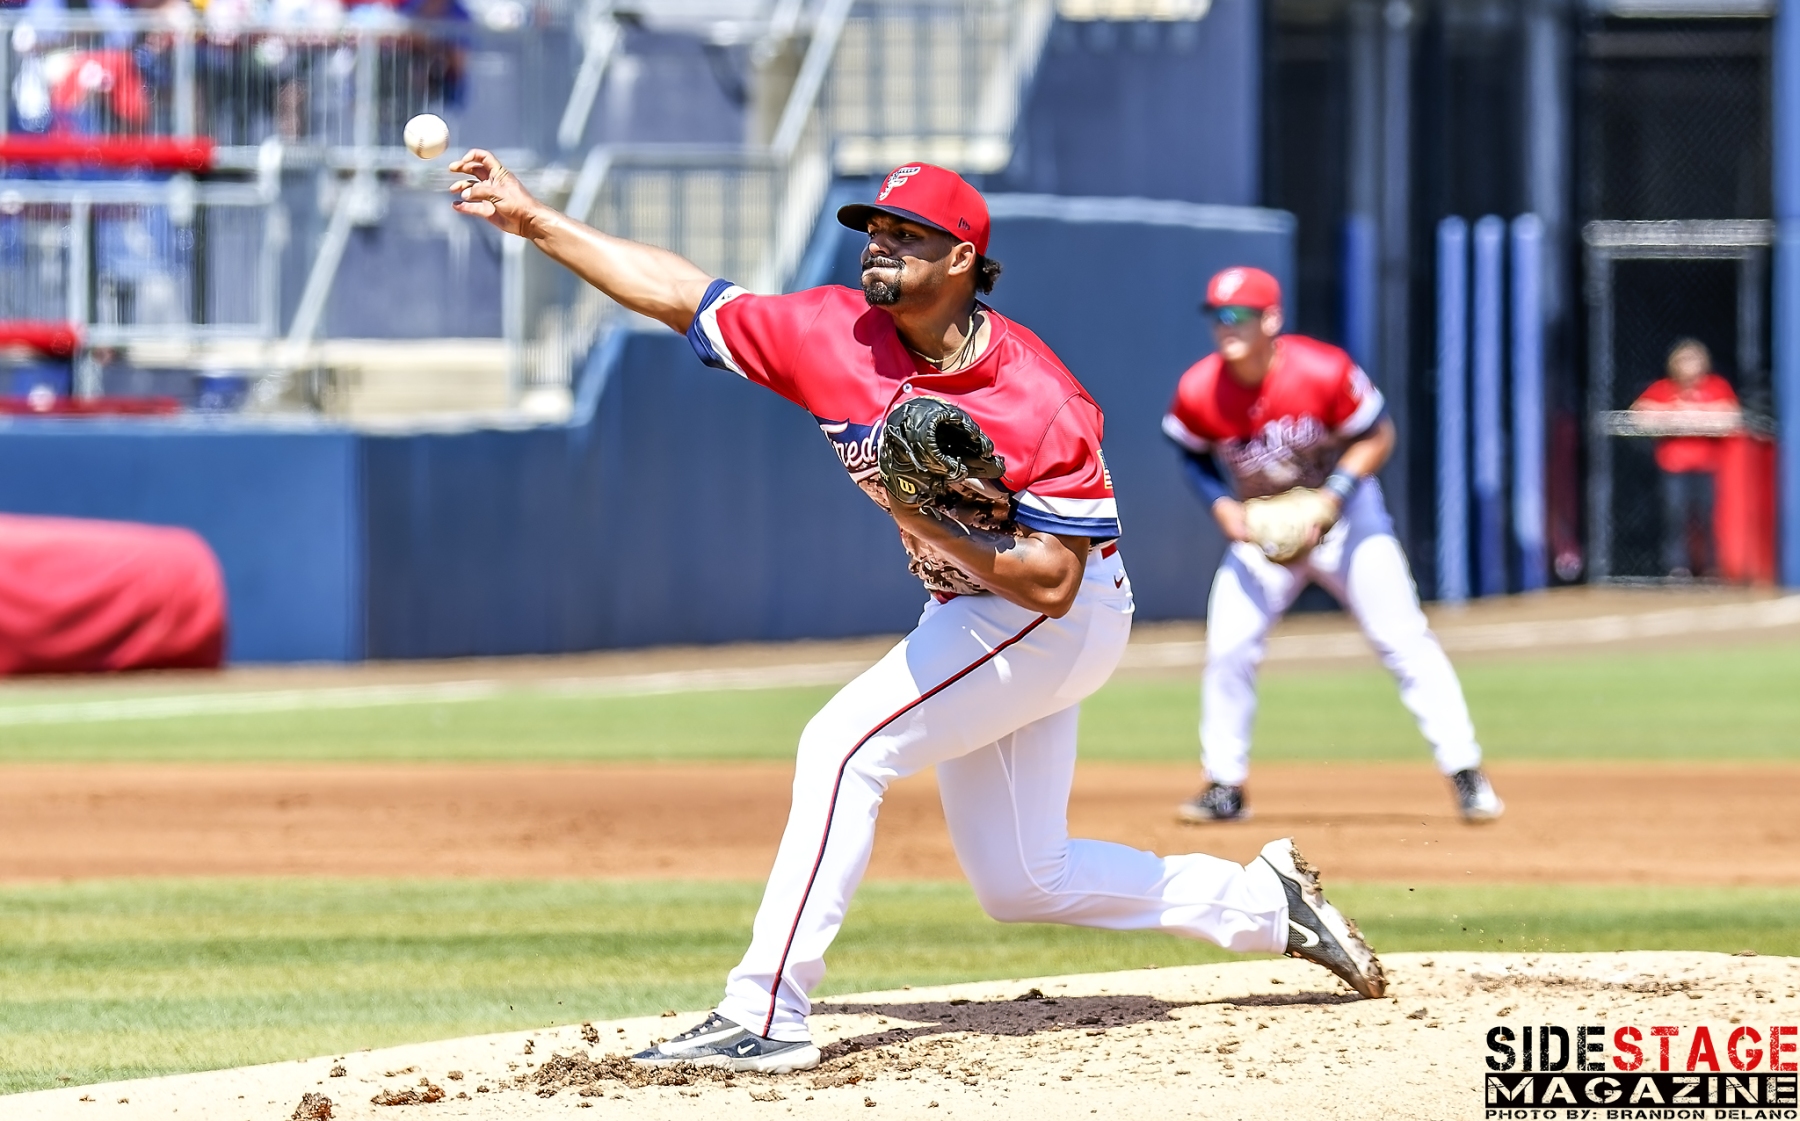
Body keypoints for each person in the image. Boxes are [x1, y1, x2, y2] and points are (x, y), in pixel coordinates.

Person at [450, 156, 1388, 1072]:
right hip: (981, 607)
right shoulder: (833, 333)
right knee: (1025, 879)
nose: (880, 248)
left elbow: (1055, 580)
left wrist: (920, 517)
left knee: (841, 746)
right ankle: (1266, 905)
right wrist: (536, 220)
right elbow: (681, 293)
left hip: (1053, 614)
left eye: (908, 235)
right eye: (875, 231)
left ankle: (765, 1009)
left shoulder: (1040, 398)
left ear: (963, 262)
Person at [1162, 266, 1503, 826]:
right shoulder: (1201, 386)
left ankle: (1465, 772)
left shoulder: (1322, 370)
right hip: (1265, 526)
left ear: (1271, 319)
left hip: (1345, 520)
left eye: (1238, 315)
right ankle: (1225, 785)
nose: (1225, 326)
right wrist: (1222, 506)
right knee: (1229, 644)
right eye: (1216, 316)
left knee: (1402, 639)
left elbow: (1377, 433)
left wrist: (1334, 497)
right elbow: (1192, 452)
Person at [1629, 339, 1741, 579]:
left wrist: (1695, 415)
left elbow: (1729, 415)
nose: (1688, 366)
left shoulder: (1716, 386)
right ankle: (1677, 568)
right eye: (1683, 360)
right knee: (1676, 517)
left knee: (1708, 518)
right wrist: (1675, 415)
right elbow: (1639, 414)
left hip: (1707, 465)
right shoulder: (1663, 389)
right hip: (1675, 466)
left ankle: (1712, 568)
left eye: (1694, 359)